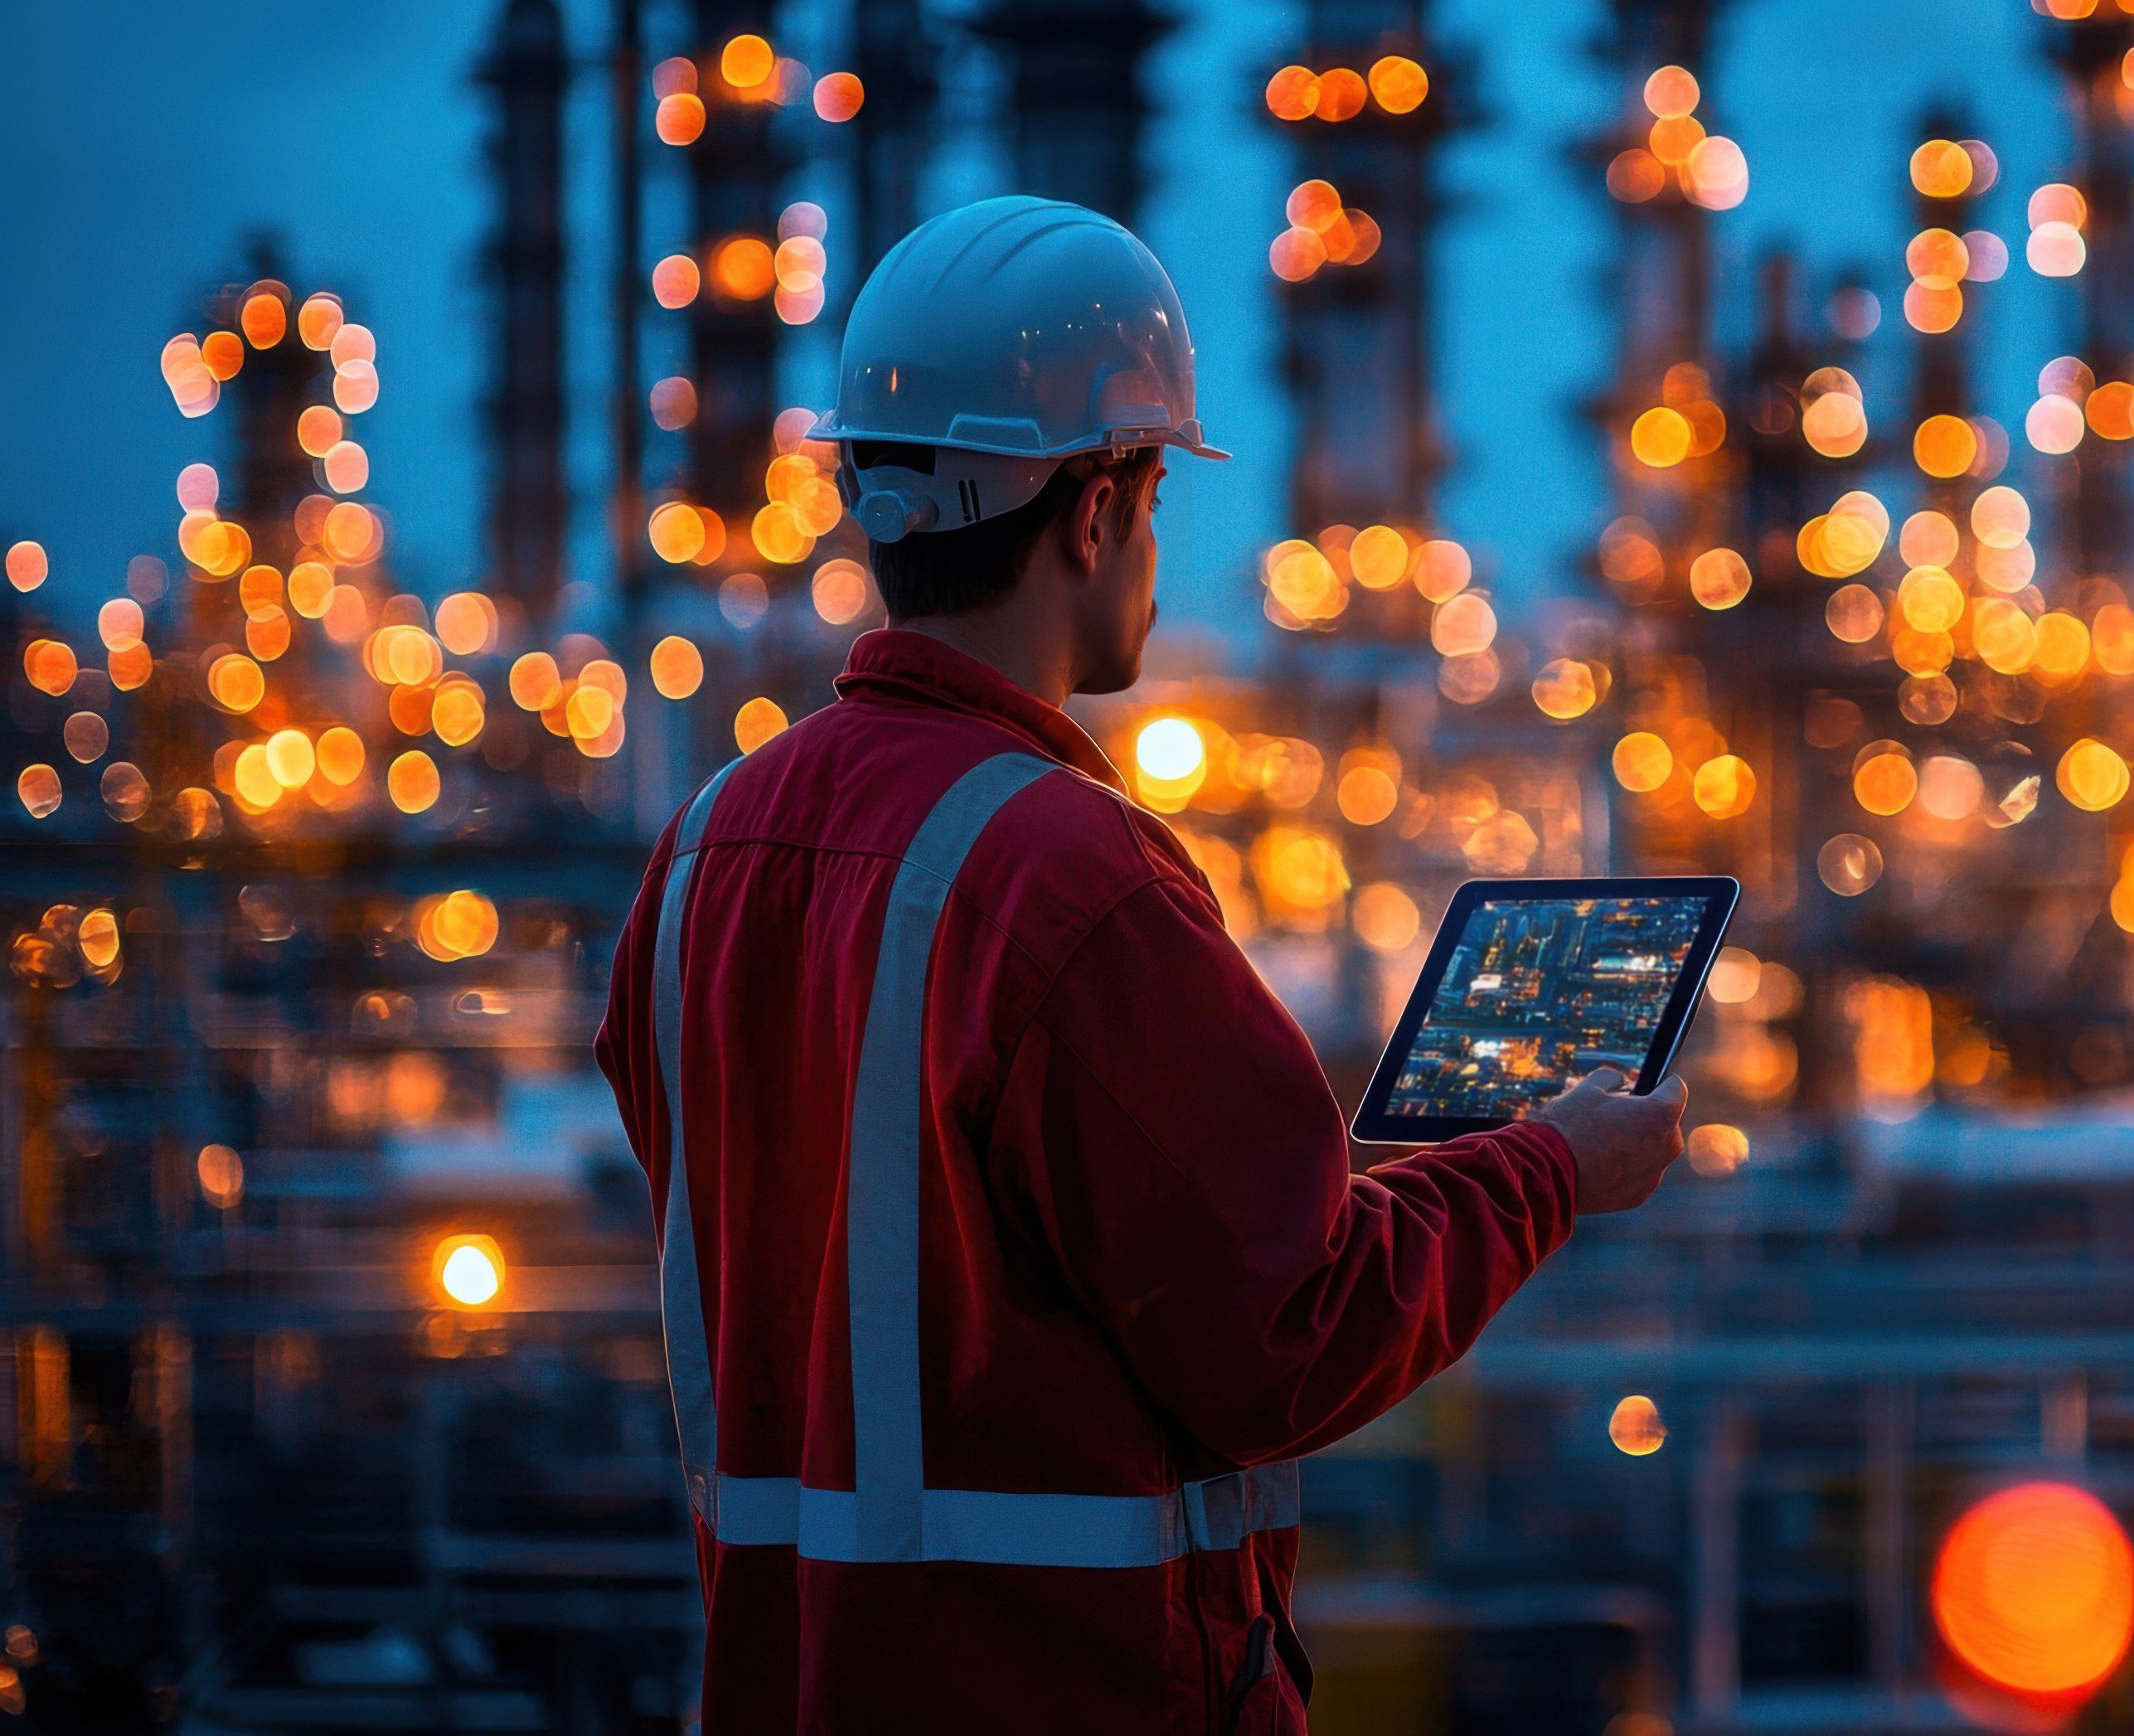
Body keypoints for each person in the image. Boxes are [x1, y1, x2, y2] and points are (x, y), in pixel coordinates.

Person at [594, 196, 1688, 1734]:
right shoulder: (1070, 875)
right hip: (1071, 1687)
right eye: (1157, 491)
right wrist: (1552, 1165)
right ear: (1095, 510)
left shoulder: (706, 850)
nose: (1157, 541)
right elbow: (1287, 1337)